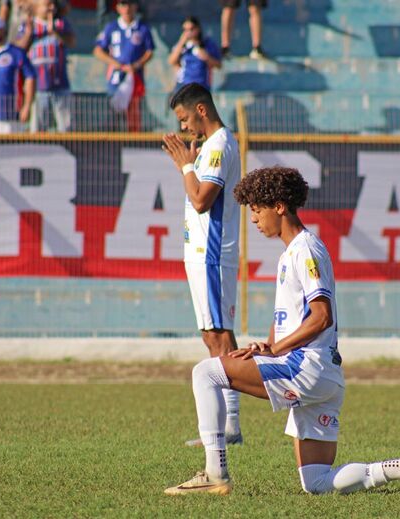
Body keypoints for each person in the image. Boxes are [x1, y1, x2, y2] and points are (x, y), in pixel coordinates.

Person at [163, 166, 400, 496]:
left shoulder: (306, 248)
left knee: (205, 372)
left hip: (306, 368)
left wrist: (277, 351)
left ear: (279, 206)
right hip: (324, 377)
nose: (253, 219)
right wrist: (268, 345)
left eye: (257, 209)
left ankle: (214, 473)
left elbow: (321, 317)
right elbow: (295, 318)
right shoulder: (292, 251)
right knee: (316, 481)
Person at [161, 83, 243, 448]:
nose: (184, 128)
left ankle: (232, 427)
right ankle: (229, 426)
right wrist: (191, 162)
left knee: (220, 338)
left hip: (212, 254)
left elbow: (201, 200)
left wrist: (185, 165)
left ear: (202, 110)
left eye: (185, 118)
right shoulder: (211, 146)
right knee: (212, 336)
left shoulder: (220, 145)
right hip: (201, 254)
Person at [93, 0, 154, 132]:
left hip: (134, 79)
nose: (127, 8)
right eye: (123, 4)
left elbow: (149, 51)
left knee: (133, 114)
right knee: (112, 114)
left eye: (130, 4)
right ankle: (111, 146)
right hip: (115, 79)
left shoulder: (142, 28)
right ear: (118, 7)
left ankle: (133, 146)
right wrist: (116, 64)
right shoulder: (111, 27)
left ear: (135, 7)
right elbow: (98, 50)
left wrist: (136, 65)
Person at [15, 0, 75, 132]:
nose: (51, 8)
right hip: (38, 87)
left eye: (53, 5)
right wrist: (28, 34)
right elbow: (18, 50)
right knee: (38, 128)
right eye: (47, 5)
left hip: (60, 85)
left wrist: (55, 32)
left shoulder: (61, 23)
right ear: (37, 8)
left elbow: (71, 42)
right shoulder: (28, 25)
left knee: (66, 128)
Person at [167, 17, 221, 92]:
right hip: (183, 86)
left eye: (191, 29)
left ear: (198, 29)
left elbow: (218, 65)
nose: (189, 32)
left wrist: (207, 57)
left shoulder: (207, 44)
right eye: (185, 30)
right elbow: (171, 61)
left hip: (202, 86)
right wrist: (181, 42)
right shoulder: (181, 45)